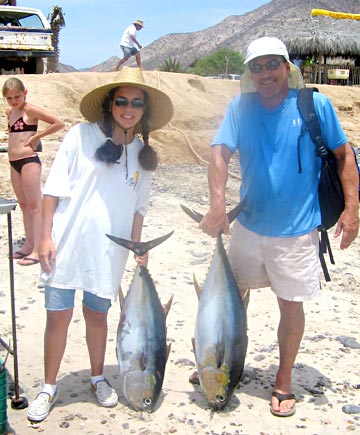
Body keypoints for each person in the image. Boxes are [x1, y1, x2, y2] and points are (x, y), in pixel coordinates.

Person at [198, 37, 359, 417]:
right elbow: (219, 153)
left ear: (287, 67)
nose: (265, 73)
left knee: (290, 306)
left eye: (273, 64)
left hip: (298, 232)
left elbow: (343, 155)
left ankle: (283, 380)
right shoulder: (241, 107)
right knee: (232, 295)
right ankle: (218, 361)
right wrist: (218, 206)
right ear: (249, 74)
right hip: (248, 227)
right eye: (257, 67)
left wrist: (353, 210)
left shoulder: (313, 104)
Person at [26, 66, 173, 422]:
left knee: (98, 315)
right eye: (121, 100)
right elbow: (53, 190)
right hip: (67, 245)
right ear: (110, 104)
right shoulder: (81, 136)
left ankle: (97, 376)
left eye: (137, 103)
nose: (128, 108)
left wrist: (138, 245)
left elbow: (139, 207)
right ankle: (48, 386)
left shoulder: (143, 155)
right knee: (57, 317)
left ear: (144, 111)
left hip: (110, 253)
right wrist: (44, 237)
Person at [2, 77, 64, 266]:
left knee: (35, 206)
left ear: (25, 93)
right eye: (10, 98)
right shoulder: (10, 112)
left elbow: (58, 123)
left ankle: (38, 249)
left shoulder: (30, 110)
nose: (14, 101)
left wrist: (38, 136)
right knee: (23, 204)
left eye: (17, 97)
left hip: (29, 161)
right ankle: (28, 246)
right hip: (13, 162)